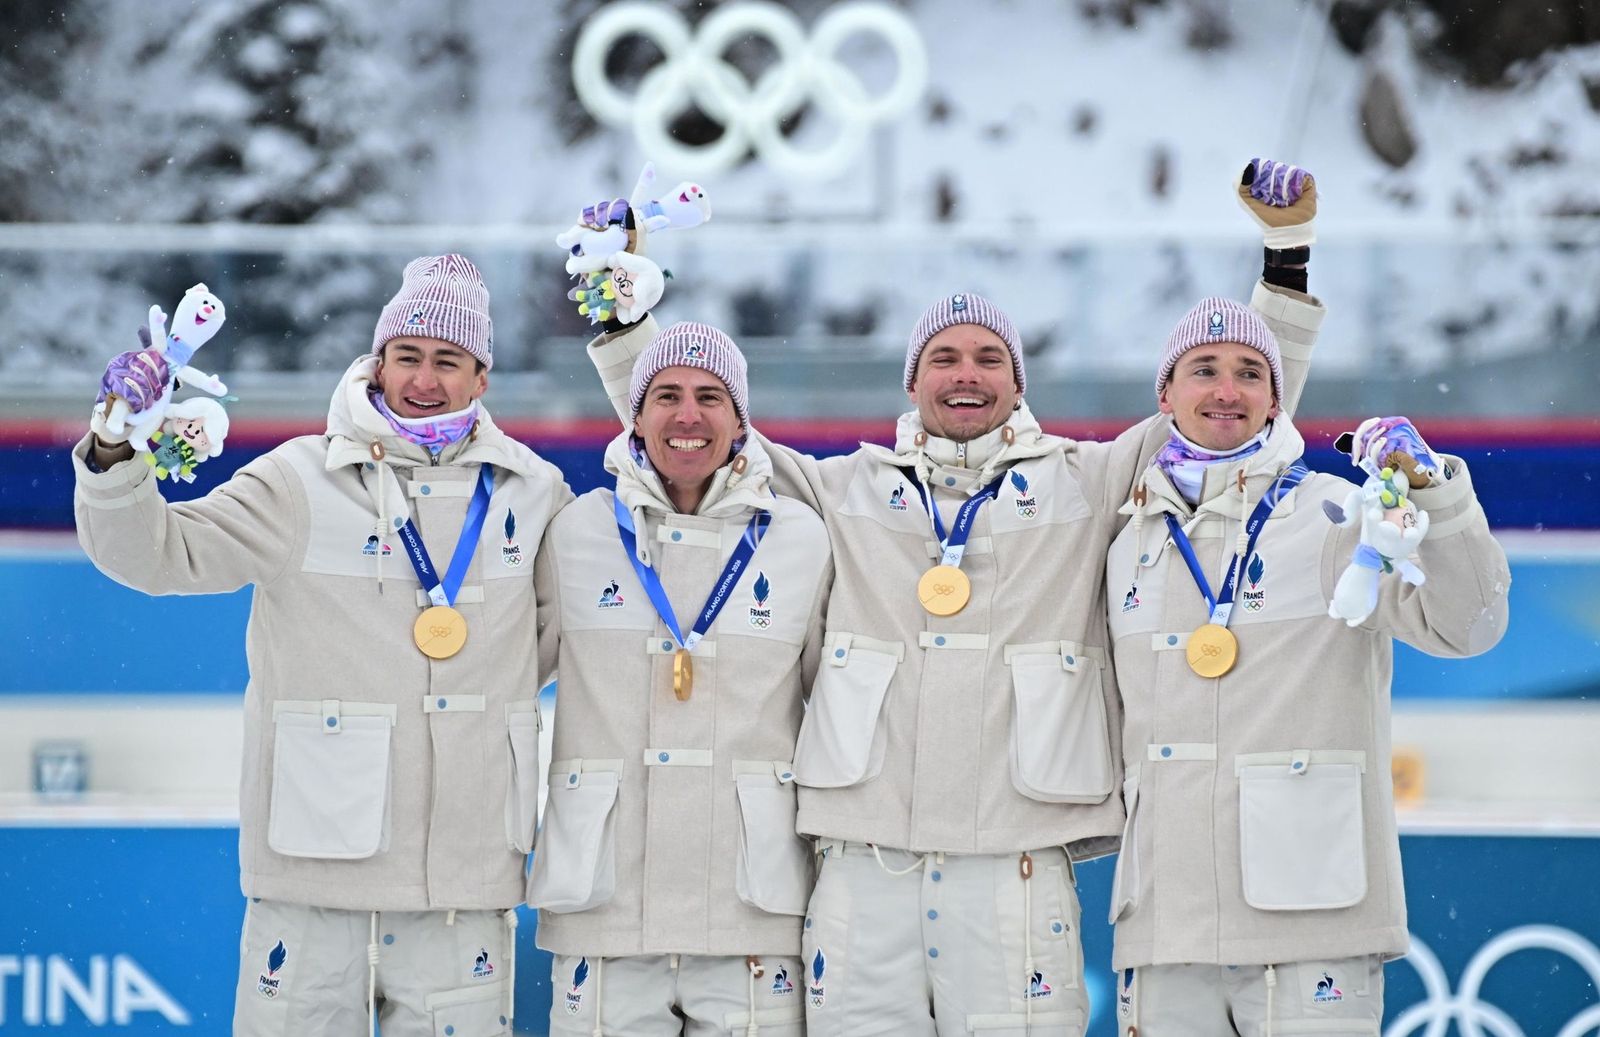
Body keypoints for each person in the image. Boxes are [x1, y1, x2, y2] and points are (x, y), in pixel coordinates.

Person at [577, 161, 1325, 1035]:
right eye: (944, 357)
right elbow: (692, 433)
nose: (965, 373)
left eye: (988, 358)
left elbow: (1229, 406)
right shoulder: (839, 488)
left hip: (1015, 869)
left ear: (1018, 383)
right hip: (864, 871)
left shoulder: (1087, 481)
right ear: (912, 381)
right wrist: (621, 313)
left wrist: (1286, 259)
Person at [73, 254, 571, 1037]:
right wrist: (113, 454)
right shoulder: (299, 480)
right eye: (407, 355)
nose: (424, 378)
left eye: (449, 360)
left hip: (463, 887)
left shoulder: (534, 493)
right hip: (311, 881)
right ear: (378, 362)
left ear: (483, 378)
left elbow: (557, 640)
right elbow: (154, 554)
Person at [1103, 297, 1510, 1034]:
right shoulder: (1128, 539)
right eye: (1205, 369)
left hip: (1311, 923)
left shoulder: (1336, 518)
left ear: (1275, 399)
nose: (1227, 389)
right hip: (1165, 929)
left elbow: (1470, 626)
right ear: (1165, 394)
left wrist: (1438, 496)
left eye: (1250, 372)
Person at [528, 321, 831, 1036]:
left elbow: (838, 706)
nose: (687, 415)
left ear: (741, 420)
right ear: (635, 415)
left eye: (709, 396)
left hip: (753, 909)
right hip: (603, 903)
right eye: (665, 395)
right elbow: (497, 668)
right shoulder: (576, 531)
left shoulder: (800, 538)